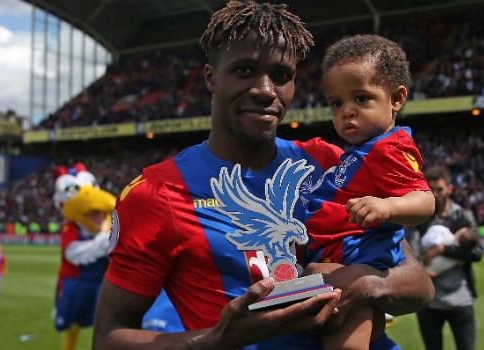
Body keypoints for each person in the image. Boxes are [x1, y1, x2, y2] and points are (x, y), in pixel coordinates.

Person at [93, 2, 434, 349]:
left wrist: (366, 283)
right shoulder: (156, 193)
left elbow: (419, 283)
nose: (265, 90)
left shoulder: (330, 163)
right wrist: (219, 338)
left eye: (281, 76)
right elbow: (107, 339)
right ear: (211, 77)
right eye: (244, 70)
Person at [301, 34, 435, 350]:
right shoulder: (361, 149)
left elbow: (425, 200)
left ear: (397, 98)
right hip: (342, 257)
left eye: (361, 99)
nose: (347, 111)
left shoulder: (389, 147)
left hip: (359, 256)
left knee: (342, 338)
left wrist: (387, 207)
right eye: (337, 103)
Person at [411, 166, 483, 350]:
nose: (435, 194)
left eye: (440, 189)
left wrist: (442, 249)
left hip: (460, 298)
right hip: (429, 300)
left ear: (449, 189)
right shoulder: (419, 217)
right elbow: (412, 252)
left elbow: (476, 252)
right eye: (431, 189)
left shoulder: (463, 216)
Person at [53, 164, 116, 350]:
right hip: (76, 281)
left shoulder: (110, 220)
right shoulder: (70, 227)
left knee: (108, 324)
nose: (97, 216)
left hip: (104, 281)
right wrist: (104, 241)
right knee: (73, 325)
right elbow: (73, 253)